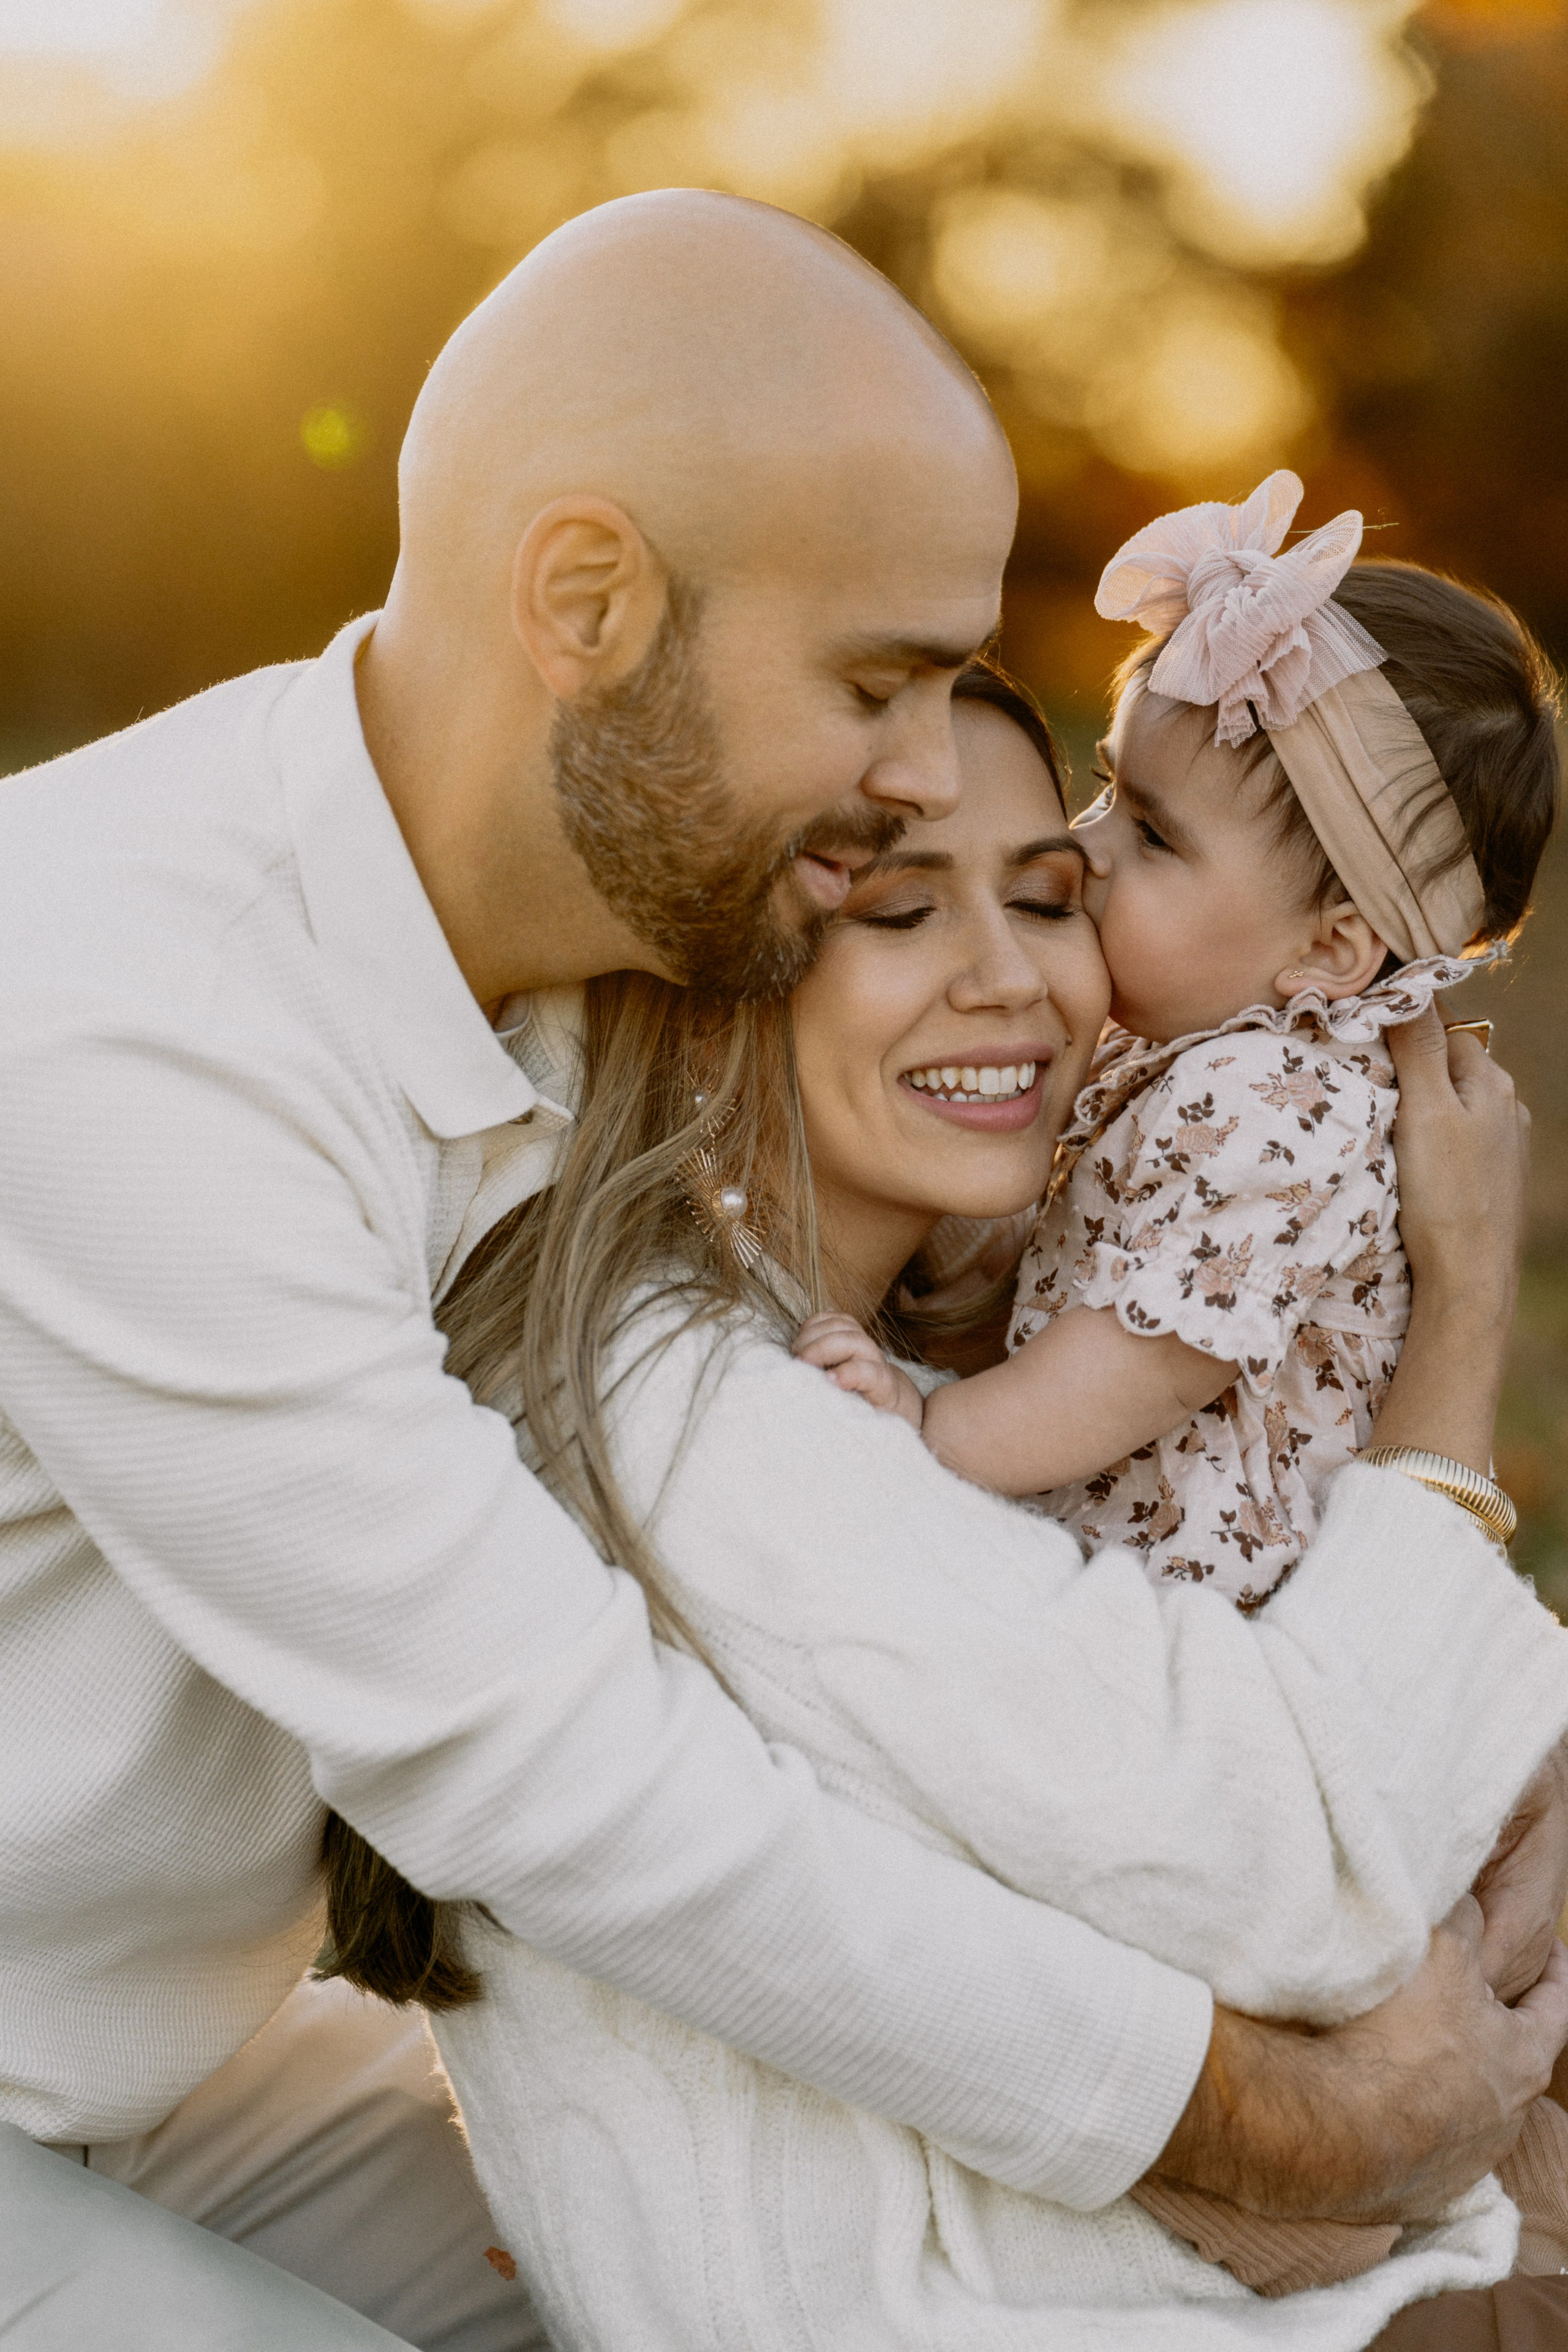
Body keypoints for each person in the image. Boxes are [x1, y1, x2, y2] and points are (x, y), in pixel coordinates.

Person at [0, 192, 1562, 2348]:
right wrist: (1288, 2120)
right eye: (876, 683)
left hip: (177, 2064)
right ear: (589, 602)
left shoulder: (614, 959)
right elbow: (573, 1788)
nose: (925, 768)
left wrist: (1501, 1733)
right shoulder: (116, 1030)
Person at [311, 665, 1568, 2350]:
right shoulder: (694, 1410)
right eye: (900, 912)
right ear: (710, 977)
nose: (1013, 977)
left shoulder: (896, 1354)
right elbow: (1300, 1868)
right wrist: (1462, 1318)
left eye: (1052, 895)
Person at [795, 471, 1558, 1607]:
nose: (1087, 847)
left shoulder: (1283, 1098)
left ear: (1334, 948)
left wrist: (928, 1424)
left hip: (1222, 1597)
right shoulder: (1202, 1056)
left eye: (1154, 833)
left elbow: (1142, 1363)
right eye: (1107, 788)